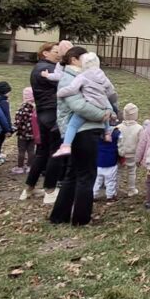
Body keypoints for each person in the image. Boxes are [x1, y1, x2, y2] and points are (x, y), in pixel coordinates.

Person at [49, 46, 112, 226]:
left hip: (84, 130)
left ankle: (59, 216)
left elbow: (106, 96)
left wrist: (107, 108)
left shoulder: (83, 77)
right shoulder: (69, 78)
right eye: (84, 59)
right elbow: (80, 106)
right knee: (85, 175)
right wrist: (102, 115)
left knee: (74, 173)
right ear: (74, 60)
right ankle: (81, 219)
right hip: (83, 131)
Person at [22, 42, 66, 202]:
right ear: (45, 53)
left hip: (42, 113)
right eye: (55, 52)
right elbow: (65, 83)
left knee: (42, 151)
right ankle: (50, 190)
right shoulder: (48, 69)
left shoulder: (38, 68)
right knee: (55, 152)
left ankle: (29, 188)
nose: (59, 54)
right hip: (53, 113)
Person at [53, 52, 118, 157]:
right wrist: (111, 99)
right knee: (106, 116)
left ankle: (66, 145)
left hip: (90, 104)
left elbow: (72, 89)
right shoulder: (103, 76)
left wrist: (60, 93)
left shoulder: (82, 76)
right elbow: (111, 91)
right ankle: (107, 134)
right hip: (102, 105)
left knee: (73, 125)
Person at [115, 103, 143, 196]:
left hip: (120, 153)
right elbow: (141, 143)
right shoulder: (139, 128)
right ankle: (131, 189)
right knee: (132, 171)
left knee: (119, 171)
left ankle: (115, 188)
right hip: (133, 154)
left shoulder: (118, 127)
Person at [93, 121, 121, 201]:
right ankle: (110, 196)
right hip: (111, 162)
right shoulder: (116, 133)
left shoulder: (97, 133)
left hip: (98, 162)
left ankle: (92, 195)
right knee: (111, 180)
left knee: (97, 180)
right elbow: (120, 145)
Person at [12, 88, 37, 174]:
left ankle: (20, 167)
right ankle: (30, 166)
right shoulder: (36, 108)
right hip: (33, 133)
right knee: (31, 150)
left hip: (22, 134)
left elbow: (18, 122)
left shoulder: (22, 109)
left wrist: (13, 129)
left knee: (21, 150)